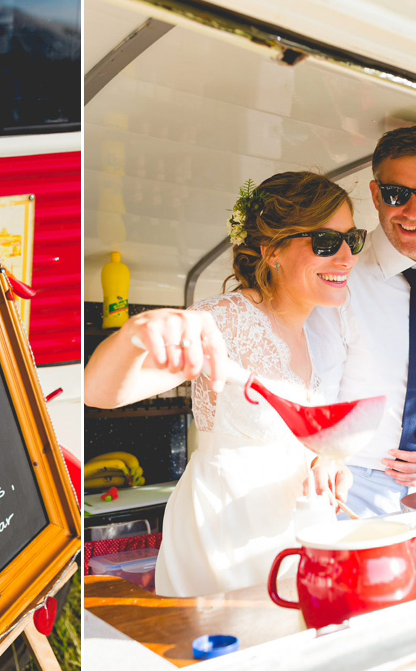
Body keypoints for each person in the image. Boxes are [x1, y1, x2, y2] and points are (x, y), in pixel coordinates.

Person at [84, 171, 366, 597]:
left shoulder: (325, 325)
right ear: (273, 251)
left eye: (353, 239)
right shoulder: (224, 320)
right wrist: (137, 331)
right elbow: (100, 392)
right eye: (327, 243)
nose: (347, 257)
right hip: (224, 537)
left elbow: (300, 434)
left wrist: (322, 462)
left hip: (297, 531)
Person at [311, 126, 416, 517]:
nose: (411, 211)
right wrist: (323, 457)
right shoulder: (341, 271)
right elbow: (320, 382)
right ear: (375, 195)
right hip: (351, 482)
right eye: (395, 194)